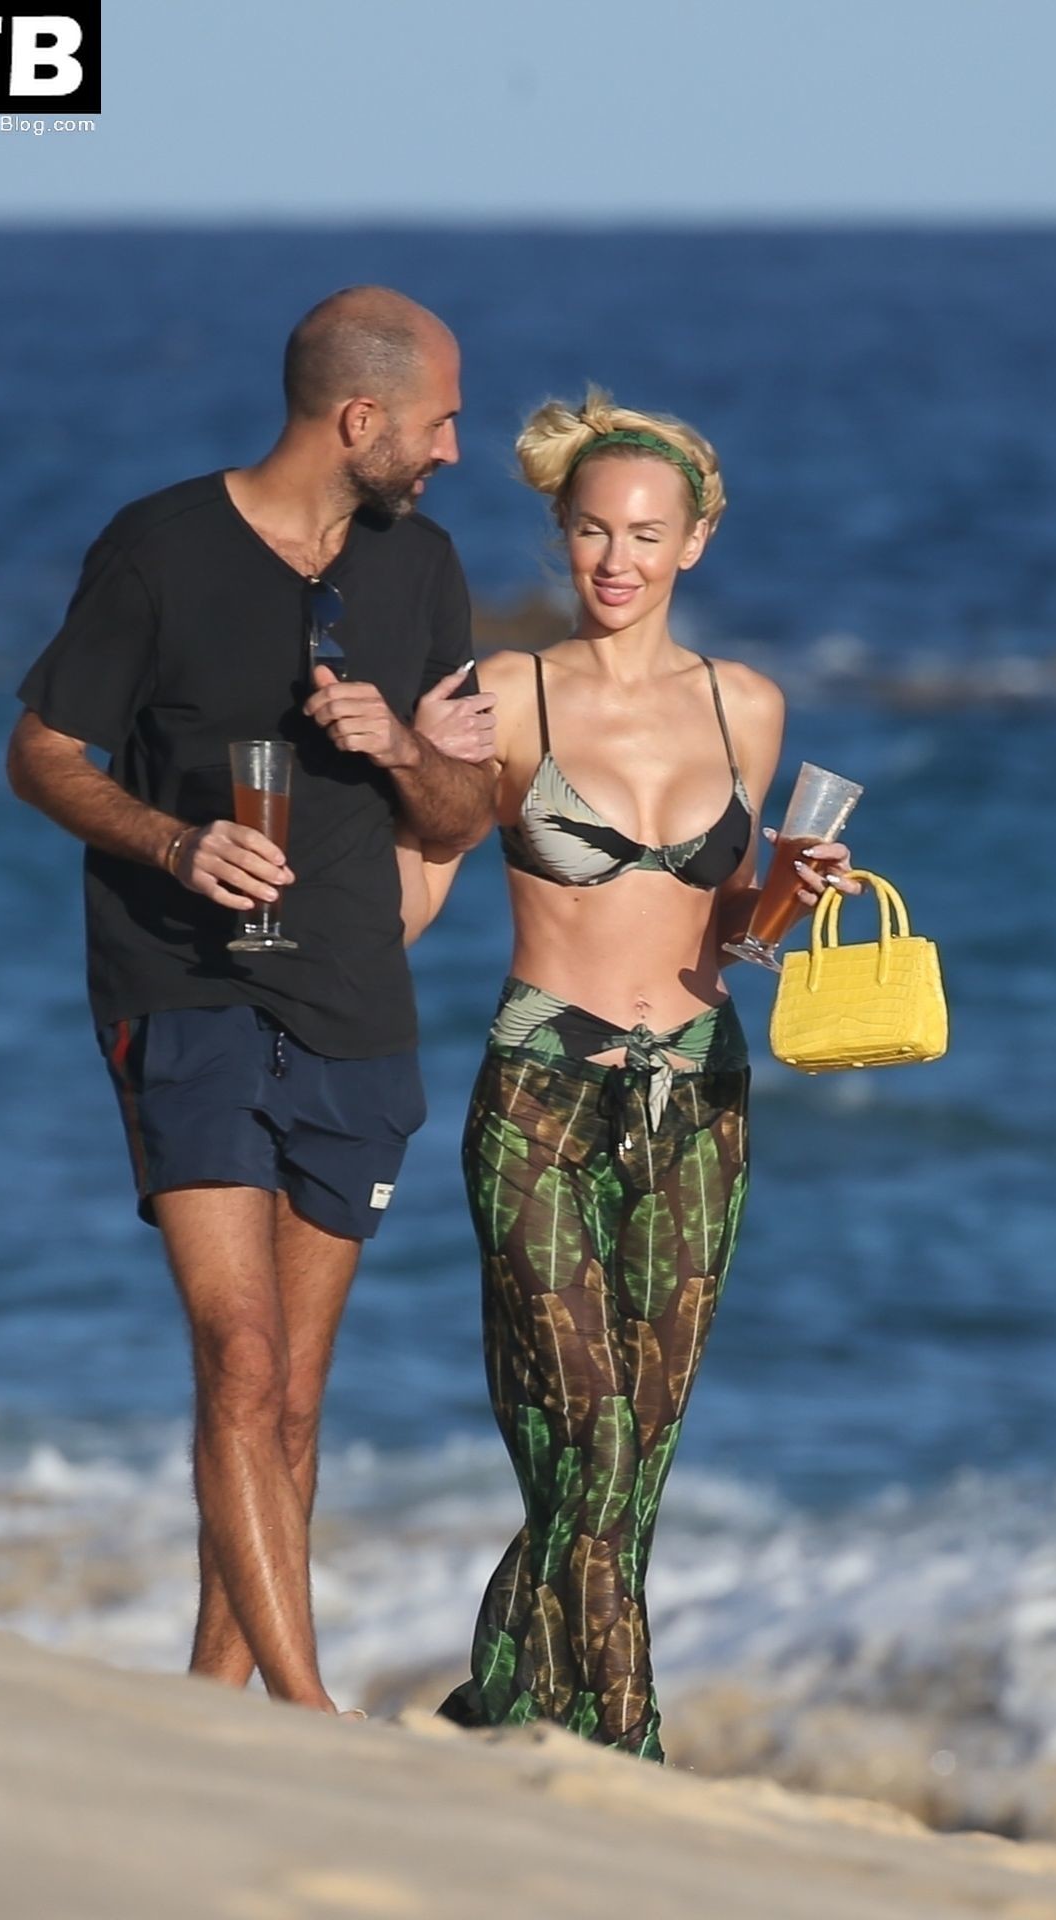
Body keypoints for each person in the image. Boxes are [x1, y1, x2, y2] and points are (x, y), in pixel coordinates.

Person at [6, 287, 496, 1717]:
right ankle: (308, 1707)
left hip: (354, 1003)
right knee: (238, 1354)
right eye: (438, 423)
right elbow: (43, 752)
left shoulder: (424, 568)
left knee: (289, 1400)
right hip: (187, 988)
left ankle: (214, 1713)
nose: (451, 450)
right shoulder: (157, 548)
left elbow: (463, 814)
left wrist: (401, 746)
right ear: (360, 419)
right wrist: (174, 844)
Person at [402, 390, 858, 1760]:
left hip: (701, 1099)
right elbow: (418, 881)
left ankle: (505, 1706)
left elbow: (736, 937)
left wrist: (786, 895)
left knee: (634, 1457)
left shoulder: (746, 706)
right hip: (540, 1090)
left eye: (647, 535)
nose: (617, 560)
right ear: (561, 530)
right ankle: (625, 1743)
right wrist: (286, 949)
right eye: (594, 530)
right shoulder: (504, 694)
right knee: (587, 1433)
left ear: (694, 542)